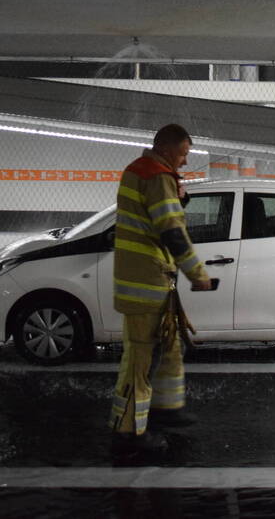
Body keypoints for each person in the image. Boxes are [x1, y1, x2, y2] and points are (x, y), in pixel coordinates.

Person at [109, 123, 213, 454]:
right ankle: (129, 433)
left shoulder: (137, 171)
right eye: (183, 154)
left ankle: (168, 410)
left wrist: (177, 197)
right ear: (167, 149)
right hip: (148, 282)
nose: (184, 162)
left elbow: (152, 217)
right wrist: (197, 272)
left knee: (168, 349)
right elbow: (171, 231)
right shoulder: (157, 176)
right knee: (141, 359)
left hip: (142, 279)